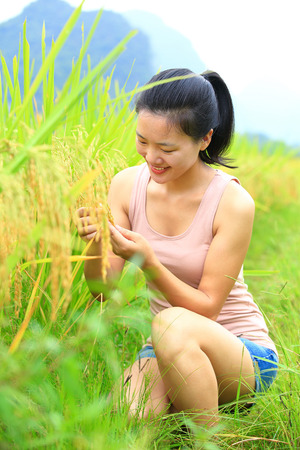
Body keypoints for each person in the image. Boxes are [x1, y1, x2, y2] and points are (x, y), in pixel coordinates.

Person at [76, 68, 279, 428]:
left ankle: (210, 438)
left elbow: (207, 308)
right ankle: (191, 406)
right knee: (131, 418)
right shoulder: (126, 186)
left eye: (167, 148)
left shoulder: (232, 202)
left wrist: (148, 261)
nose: (151, 158)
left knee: (170, 322)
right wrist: (96, 244)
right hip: (166, 345)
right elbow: (101, 293)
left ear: (204, 140)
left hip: (240, 351)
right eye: (142, 142)